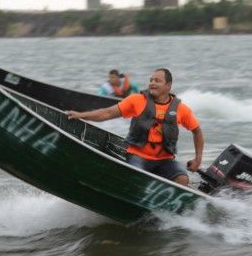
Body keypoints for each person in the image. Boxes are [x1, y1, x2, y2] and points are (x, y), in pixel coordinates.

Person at [67, 68, 203, 186]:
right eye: (151, 80)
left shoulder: (181, 109)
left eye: (157, 80)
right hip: (139, 157)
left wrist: (198, 159)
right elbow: (107, 113)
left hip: (165, 160)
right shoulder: (136, 100)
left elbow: (197, 131)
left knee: (182, 179)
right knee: (137, 177)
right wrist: (81, 115)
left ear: (168, 86)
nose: (152, 83)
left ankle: (168, 212)